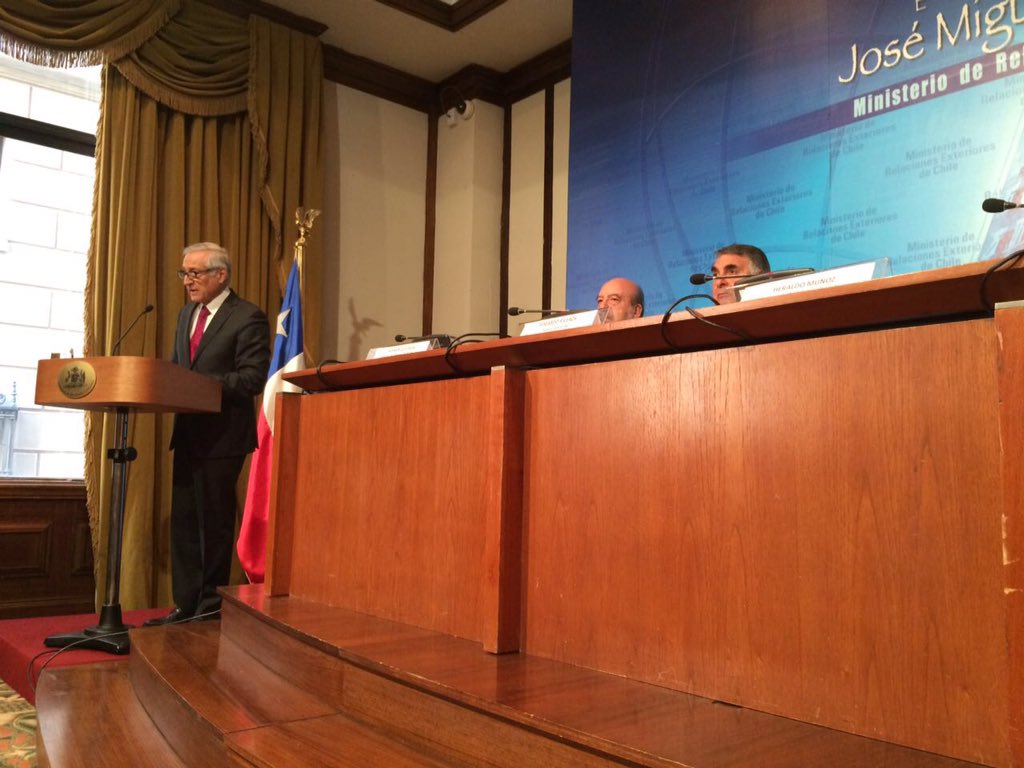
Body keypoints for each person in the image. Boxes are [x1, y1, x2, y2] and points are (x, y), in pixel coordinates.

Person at [146, 242, 270, 626]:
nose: (188, 281)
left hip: (223, 437)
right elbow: (177, 368)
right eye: (184, 273)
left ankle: (210, 606)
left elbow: (251, 378)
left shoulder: (248, 316)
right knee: (184, 524)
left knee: (213, 524)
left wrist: (197, 384)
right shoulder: (186, 315)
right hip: (187, 432)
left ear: (221, 274)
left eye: (195, 273)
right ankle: (185, 605)